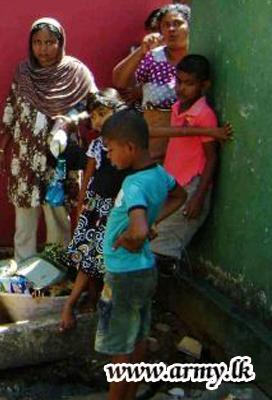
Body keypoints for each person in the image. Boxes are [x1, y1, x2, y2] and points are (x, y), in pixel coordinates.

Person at [97, 109, 187, 400]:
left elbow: (136, 229)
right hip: (144, 270)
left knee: (120, 345)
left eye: (110, 150)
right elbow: (180, 195)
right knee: (136, 339)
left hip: (123, 273)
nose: (109, 157)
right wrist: (152, 222)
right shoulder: (159, 174)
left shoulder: (133, 184)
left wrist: (133, 235)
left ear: (130, 148)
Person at [0, 17, 96, 262]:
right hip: (25, 155)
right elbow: (10, 111)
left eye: (50, 42)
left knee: (57, 212)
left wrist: (71, 119)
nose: (43, 49)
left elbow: (94, 107)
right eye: (37, 42)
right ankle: (24, 266)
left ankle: (56, 266)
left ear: (60, 42)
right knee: (25, 214)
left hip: (59, 155)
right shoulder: (24, 72)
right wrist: (1, 151)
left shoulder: (75, 71)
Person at [59, 89, 130, 332]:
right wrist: (81, 206)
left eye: (102, 114)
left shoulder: (129, 146)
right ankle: (82, 300)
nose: (97, 121)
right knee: (88, 257)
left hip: (116, 208)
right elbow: (87, 177)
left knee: (104, 258)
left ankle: (100, 301)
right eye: (93, 116)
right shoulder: (97, 146)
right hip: (95, 206)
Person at [150, 55, 224, 267]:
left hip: (191, 188)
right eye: (179, 82)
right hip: (172, 185)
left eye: (189, 84)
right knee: (154, 238)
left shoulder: (204, 115)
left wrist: (199, 197)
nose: (181, 88)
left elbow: (211, 158)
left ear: (205, 85)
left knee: (161, 247)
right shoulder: (177, 108)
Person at [112, 4, 191, 161]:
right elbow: (119, 81)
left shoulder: (198, 56)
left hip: (188, 151)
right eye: (166, 25)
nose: (171, 29)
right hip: (154, 150)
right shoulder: (153, 58)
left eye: (177, 23)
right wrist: (141, 51)